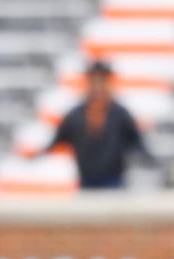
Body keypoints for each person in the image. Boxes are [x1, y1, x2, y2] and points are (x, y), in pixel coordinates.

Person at [47, 61, 148, 189]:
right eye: (94, 81)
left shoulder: (120, 114)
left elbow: (138, 144)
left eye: (102, 80)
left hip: (114, 182)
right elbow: (56, 141)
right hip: (86, 182)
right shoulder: (76, 115)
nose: (98, 86)